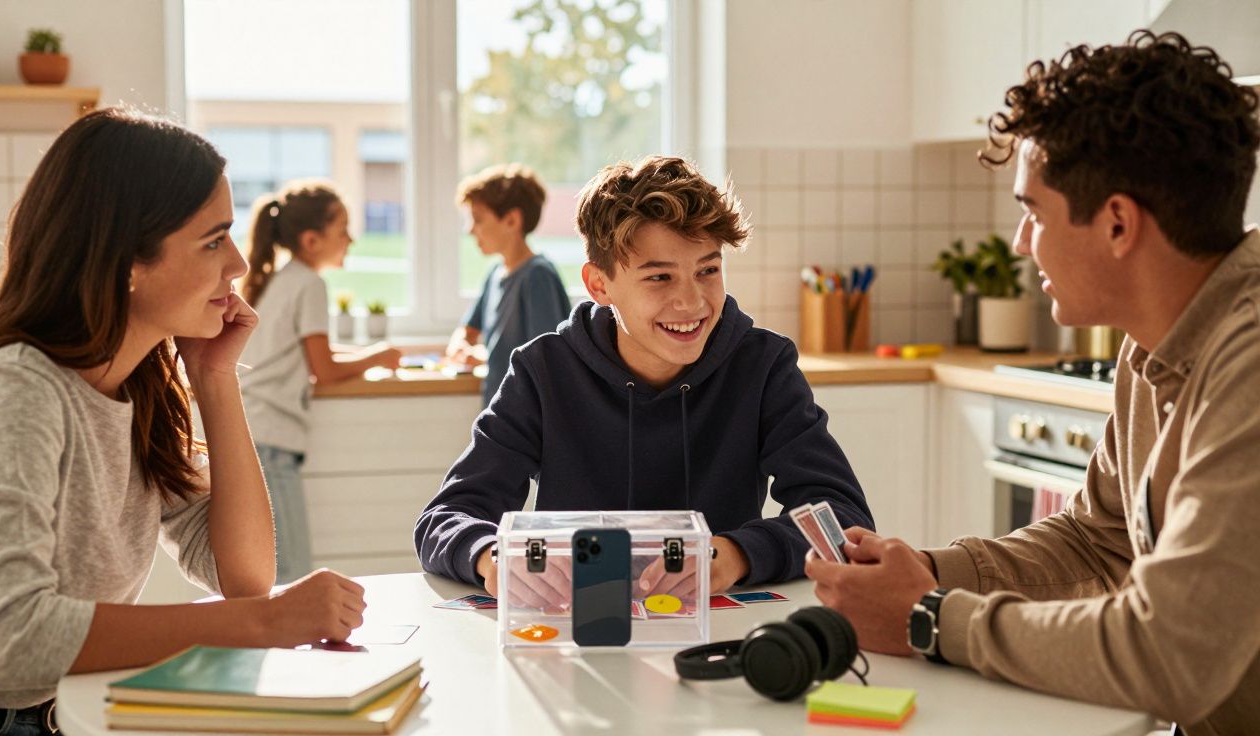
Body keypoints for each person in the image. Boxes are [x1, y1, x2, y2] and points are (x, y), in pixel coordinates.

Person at [805, 31, 1260, 734]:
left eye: (1033, 212)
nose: (1021, 243)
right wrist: (925, 571)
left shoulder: (1250, 364)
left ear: (1116, 223)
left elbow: (1174, 653)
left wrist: (926, 619)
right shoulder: (1154, 347)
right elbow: (1097, 541)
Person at [0, 109, 366, 734]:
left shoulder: (138, 386)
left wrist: (216, 382)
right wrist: (263, 624)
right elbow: (14, 637)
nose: (238, 265)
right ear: (126, 263)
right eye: (212, 239)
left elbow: (243, 578)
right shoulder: (17, 389)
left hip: (60, 709)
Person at [416, 155, 874, 605]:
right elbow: (445, 517)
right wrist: (494, 558)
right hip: (578, 630)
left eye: (708, 271)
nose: (692, 302)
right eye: (659, 277)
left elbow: (844, 517)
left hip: (721, 634)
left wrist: (733, 555)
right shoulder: (543, 371)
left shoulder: (764, 365)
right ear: (599, 285)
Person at [239, 180, 402, 584]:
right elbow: (324, 370)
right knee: (290, 572)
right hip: (272, 444)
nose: (352, 238)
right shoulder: (310, 284)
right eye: (343, 229)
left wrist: (372, 355)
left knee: (272, 567)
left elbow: (314, 357)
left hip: (255, 434)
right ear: (312, 240)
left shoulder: (282, 278)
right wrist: (379, 356)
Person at [445, 163, 572, 406]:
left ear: (512, 220)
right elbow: (468, 330)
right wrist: (461, 345)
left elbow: (546, 360)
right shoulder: (495, 274)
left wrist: (483, 356)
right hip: (499, 415)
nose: (470, 230)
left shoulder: (538, 277)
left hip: (528, 420)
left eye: (478, 219)